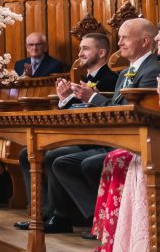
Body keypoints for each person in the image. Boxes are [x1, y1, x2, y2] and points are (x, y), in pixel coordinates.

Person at [16, 19, 160, 233]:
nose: (119, 42)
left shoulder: (149, 72)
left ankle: (96, 220)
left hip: (126, 140)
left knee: (60, 160)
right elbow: (110, 109)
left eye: (124, 37)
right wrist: (67, 99)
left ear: (145, 41)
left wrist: (92, 97)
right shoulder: (125, 73)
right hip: (103, 135)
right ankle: (74, 217)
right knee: (38, 154)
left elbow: (128, 113)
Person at [88, 13, 160, 252]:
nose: (157, 38)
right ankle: (116, 240)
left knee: (131, 156)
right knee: (122, 156)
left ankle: (151, 242)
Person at [15, 32, 119, 226]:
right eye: (80, 49)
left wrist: (83, 99)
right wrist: (63, 99)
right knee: (25, 153)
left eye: (85, 48)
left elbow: (105, 113)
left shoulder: (111, 80)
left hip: (94, 140)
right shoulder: (83, 80)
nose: (80, 53)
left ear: (102, 52)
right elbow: (74, 113)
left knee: (52, 156)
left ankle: (60, 215)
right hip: (76, 136)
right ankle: (40, 212)